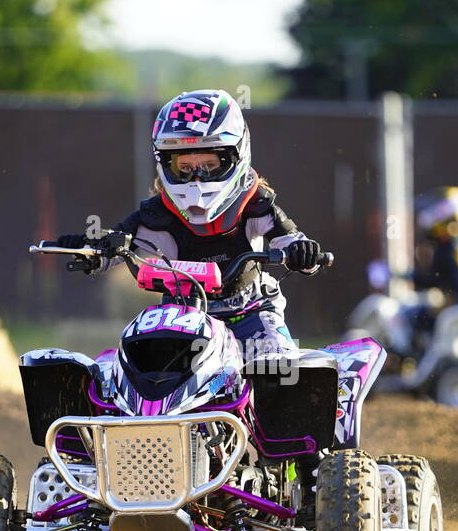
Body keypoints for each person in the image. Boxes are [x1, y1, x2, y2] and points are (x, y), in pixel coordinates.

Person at [54, 88, 324, 359]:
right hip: (182, 318)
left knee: (277, 368)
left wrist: (304, 253)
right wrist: (88, 250)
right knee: (142, 369)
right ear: (166, 163)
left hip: (251, 313)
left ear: (235, 157)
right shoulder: (156, 215)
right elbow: (113, 245)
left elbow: (292, 240)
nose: (196, 178)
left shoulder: (255, 204)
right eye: (184, 168)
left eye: (208, 165)